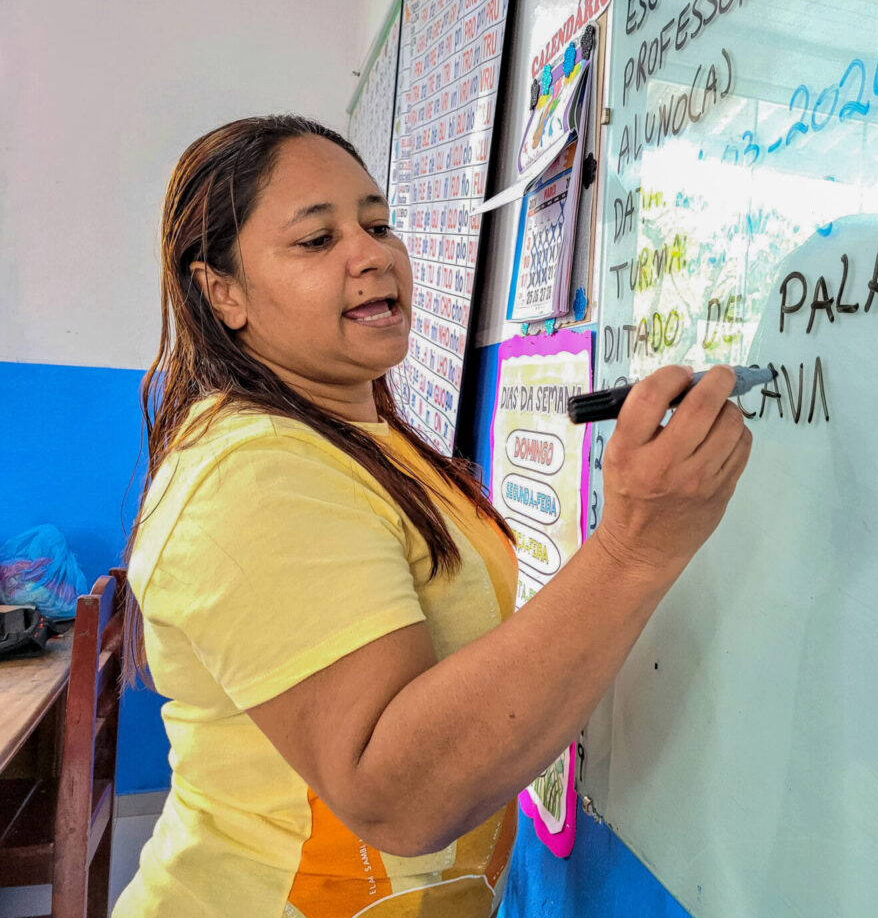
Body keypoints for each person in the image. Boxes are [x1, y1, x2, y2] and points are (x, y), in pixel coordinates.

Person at [113, 115, 752, 918]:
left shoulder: (358, 438)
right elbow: (395, 796)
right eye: (317, 241)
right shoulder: (253, 475)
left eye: (378, 224)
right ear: (224, 293)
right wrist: (633, 550)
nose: (373, 253)